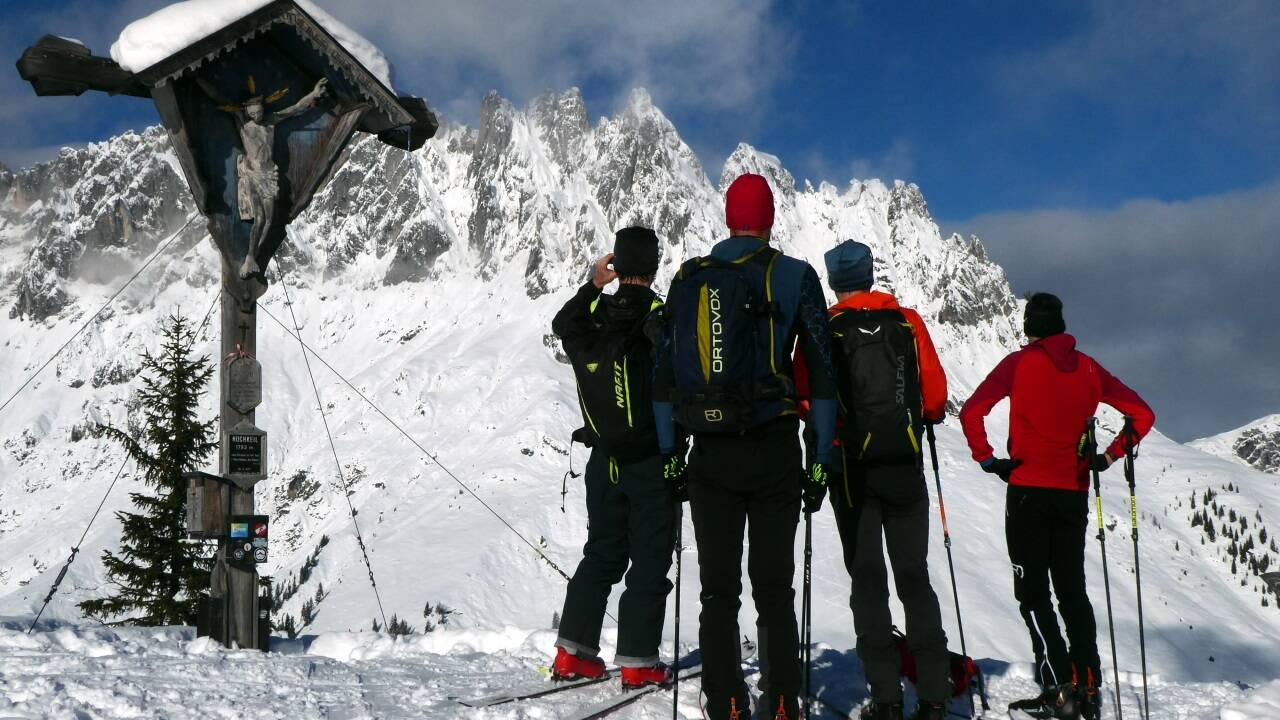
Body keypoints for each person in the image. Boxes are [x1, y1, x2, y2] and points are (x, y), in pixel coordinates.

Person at [653, 173, 838, 720]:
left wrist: (670, 456)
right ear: (771, 217)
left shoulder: (690, 278)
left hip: (709, 454)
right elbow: (822, 377)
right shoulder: (796, 277)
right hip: (775, 451)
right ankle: (781, 700)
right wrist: (821, 461)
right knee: (774, 589)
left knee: (717, 591)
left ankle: (727, 699)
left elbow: (664, 377)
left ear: (728, 217)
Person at [959, 293, 1154, 720]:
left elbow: (972, 410)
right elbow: (1142, 414)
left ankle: (1058, 684)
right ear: (1061, 326)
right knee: (1071, 589)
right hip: (1074, 490)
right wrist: (1108, 456)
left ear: (1029, 328)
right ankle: (1088, 684)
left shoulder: (1019, 363)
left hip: (1027, 489)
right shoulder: (1087, 367)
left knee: (1032, 592)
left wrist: (989, 460)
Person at [794, 240, 952, 720]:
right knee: (914, 578)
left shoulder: (825, 327)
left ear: (834, 281)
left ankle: (885, 699)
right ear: (870, 275)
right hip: (905, 469)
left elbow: (804, 395)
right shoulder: (907, 322)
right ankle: (934, 695)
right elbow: (935, 399)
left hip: (851, 474)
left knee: (868, 582)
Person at [550, 227, 677, 689]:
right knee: (648, 560)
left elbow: (561, 325)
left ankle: (572, 654)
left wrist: (593, 284)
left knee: (601, 553)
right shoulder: (660, 314)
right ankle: (639, 661)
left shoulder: (594, 314)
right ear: (656, 265)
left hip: (602, 458)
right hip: (649, 460)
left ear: (618, 266)